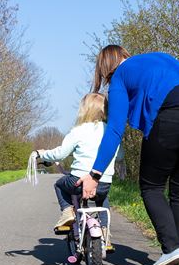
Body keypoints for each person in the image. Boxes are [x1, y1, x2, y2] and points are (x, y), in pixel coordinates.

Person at [77, 46, 179, 265]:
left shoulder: (120, 76)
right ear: (124, 55)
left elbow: (114, 130)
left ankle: (172, 249)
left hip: (174, 116)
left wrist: (95, 174)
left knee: (151, 186)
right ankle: (173, 255)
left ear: (105, 68)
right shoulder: (160, 57)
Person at [36, 92, 122, 248]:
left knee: (60, 185)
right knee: (102, 199)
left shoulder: (79, 130)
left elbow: (61, 153)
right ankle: (104, 231)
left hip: (78, 181)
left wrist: (42, 154)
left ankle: (68, 212)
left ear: (84, 109)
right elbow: (120, 155)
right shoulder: (111, 131)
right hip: (103, 182)